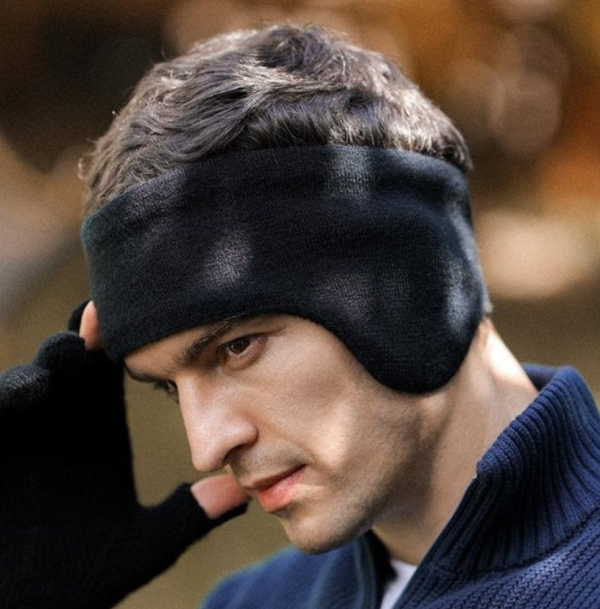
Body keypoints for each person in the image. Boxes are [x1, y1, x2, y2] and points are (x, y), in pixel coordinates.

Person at [1, 23, 600, 609]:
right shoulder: (249, 602)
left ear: (416, 286)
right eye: (168, 387)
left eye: (237, 347)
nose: (207, 447)